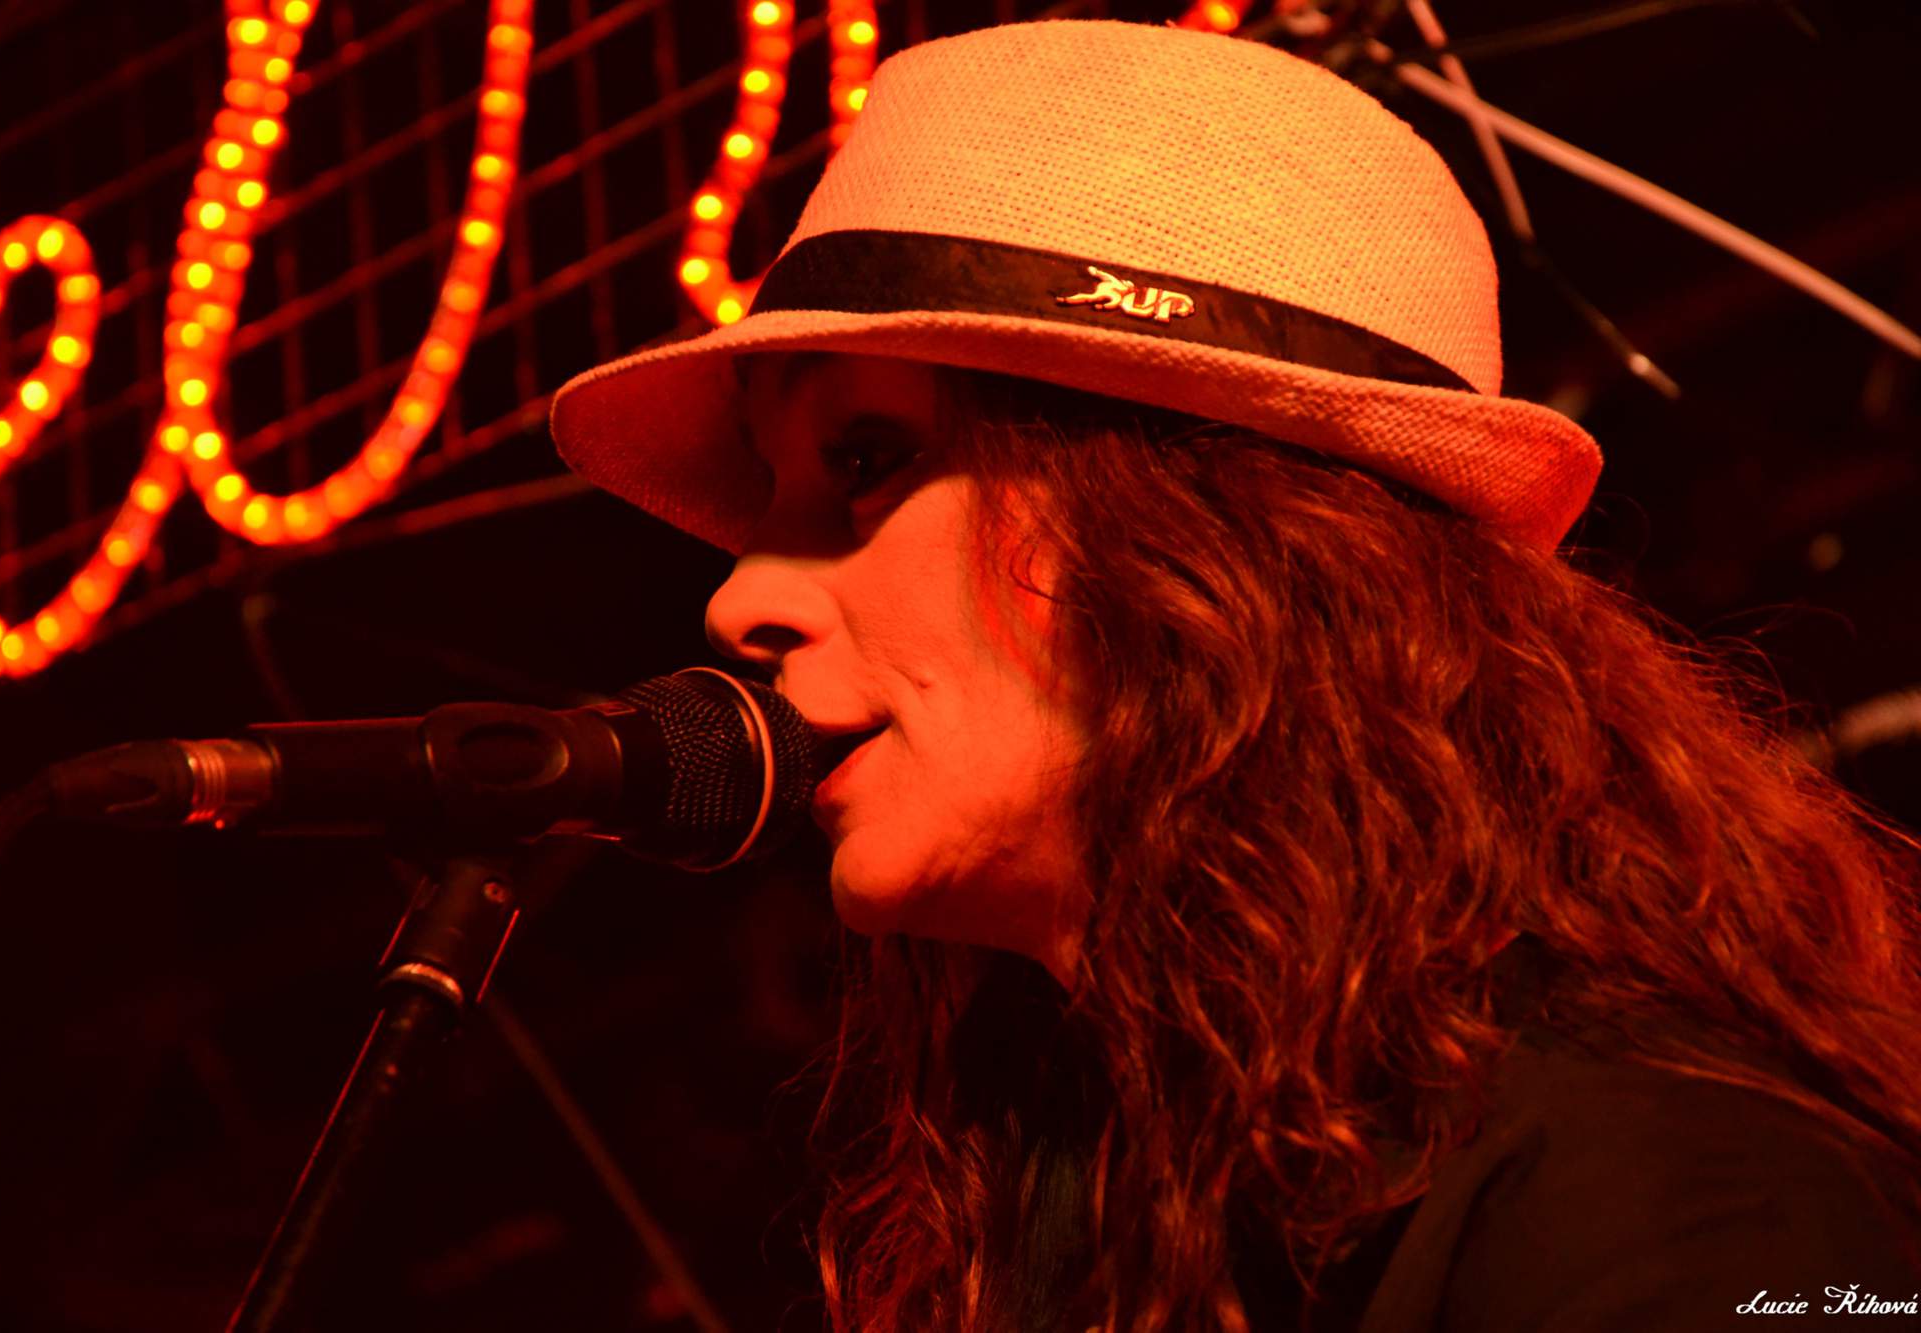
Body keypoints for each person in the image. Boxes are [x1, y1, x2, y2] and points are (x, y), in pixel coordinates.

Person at [549, 19, 1921, 1332]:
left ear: (1208, 542)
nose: (739, 598)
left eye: (866, 457)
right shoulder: (1074, 1207)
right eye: (775, 490)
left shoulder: (1671, 1193)